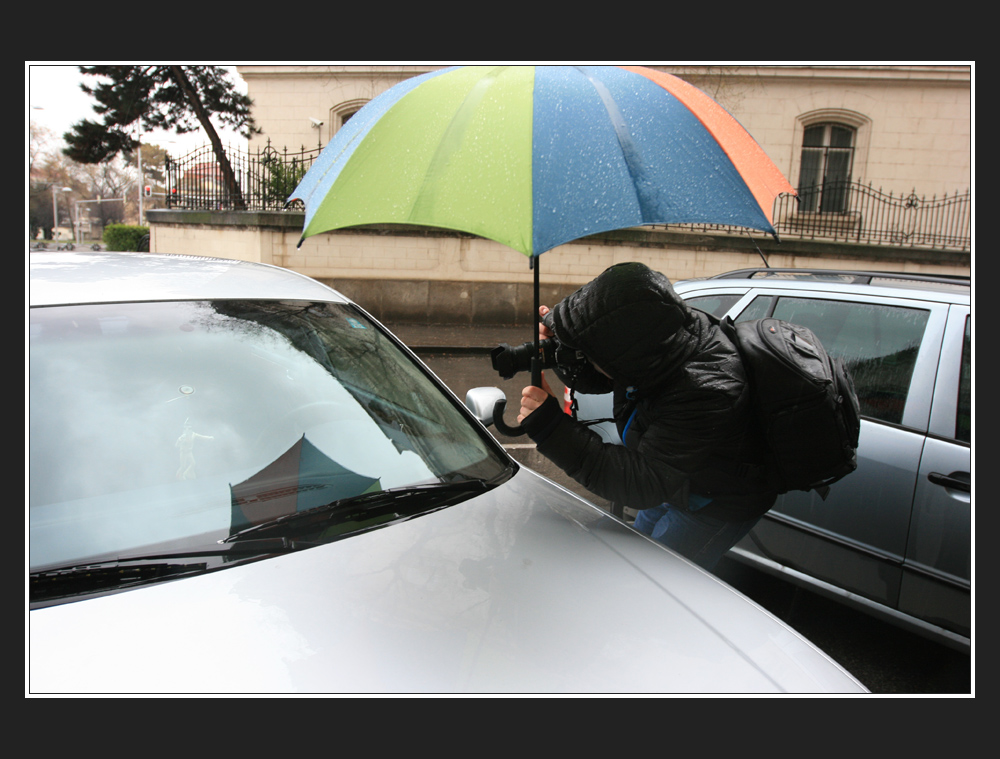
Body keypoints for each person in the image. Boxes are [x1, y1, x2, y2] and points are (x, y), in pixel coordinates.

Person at [516, 262, 776, 570]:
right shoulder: (657, 339)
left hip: (716, 501)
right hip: (679, 480)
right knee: (633, 560)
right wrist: (562, 346)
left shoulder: (707, 387)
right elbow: (603, 376)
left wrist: (551, 428)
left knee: (654, 578)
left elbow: (644, 482)